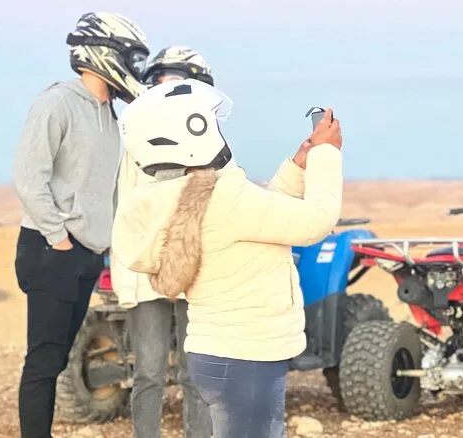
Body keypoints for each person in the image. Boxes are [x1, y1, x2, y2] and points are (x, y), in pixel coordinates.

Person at [111, 78, 344, 438]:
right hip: (248, 356)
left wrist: (298, 167)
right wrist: (326, 155)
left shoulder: (183, 197)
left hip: (215, 352)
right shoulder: (225, 198)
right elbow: (316, 221)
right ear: (194, 132)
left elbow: (262, 217)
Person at [12, 12, 149, 438]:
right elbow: (28, 177)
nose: (135, 68)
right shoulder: (57, 103)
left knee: (57, 360)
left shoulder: (110, 116)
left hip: (86, 254)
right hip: (51, 249)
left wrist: (103, 244)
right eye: (131, 57)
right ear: (104, 53)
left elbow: (105, 188)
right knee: (43, 361)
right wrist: (59, 239)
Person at [111, 46, 215, 438]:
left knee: (197, 372)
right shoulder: (135, 142)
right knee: (148, 373)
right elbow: (124, 210)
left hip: (197, 271)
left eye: (178, 81)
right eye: (161, 81)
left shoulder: (210, 142)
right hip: (145, 270)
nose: (167, 89)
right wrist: (125, 276)